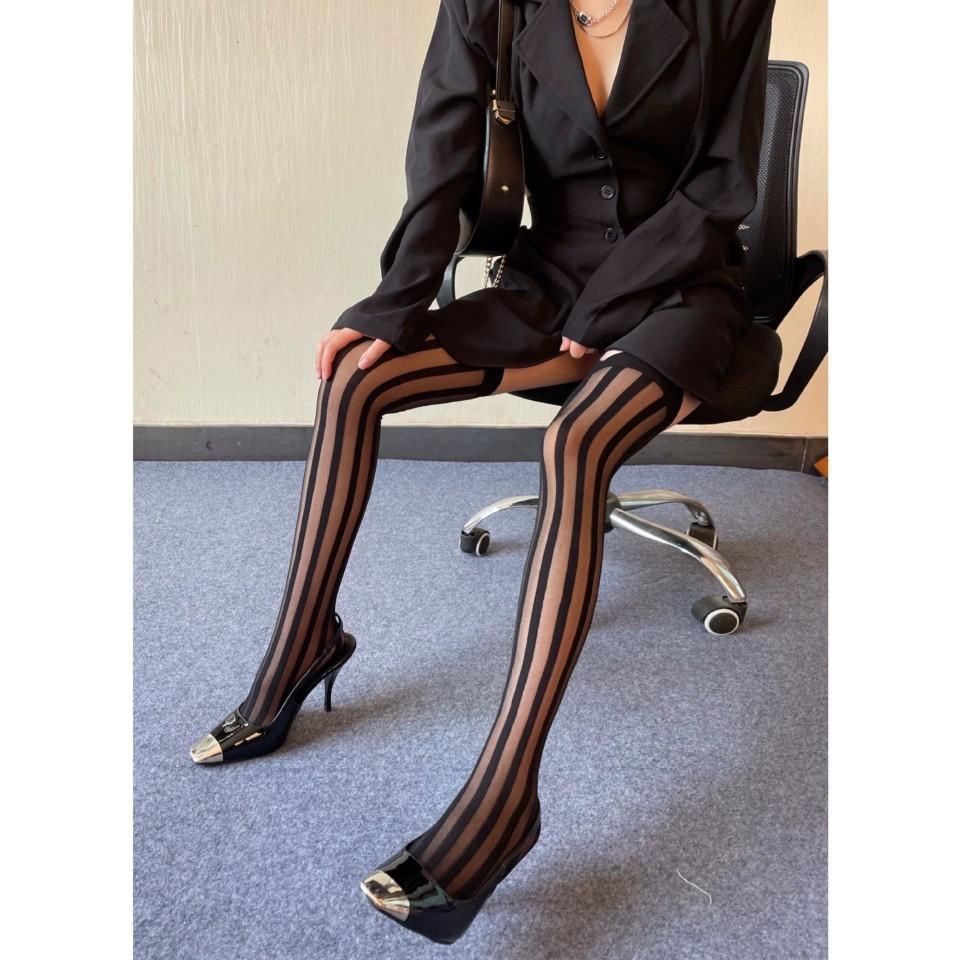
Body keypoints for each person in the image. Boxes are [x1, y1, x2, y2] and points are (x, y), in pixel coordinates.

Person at [188, 0, 776, 944]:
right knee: (355, 380)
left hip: (680, 282)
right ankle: (303, 647)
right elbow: (445, 157)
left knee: (574, 443)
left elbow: (721, 184)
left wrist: (615, 300)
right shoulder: (487, 3)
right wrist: (392, 303)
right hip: (550, 279)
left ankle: (505, 802)